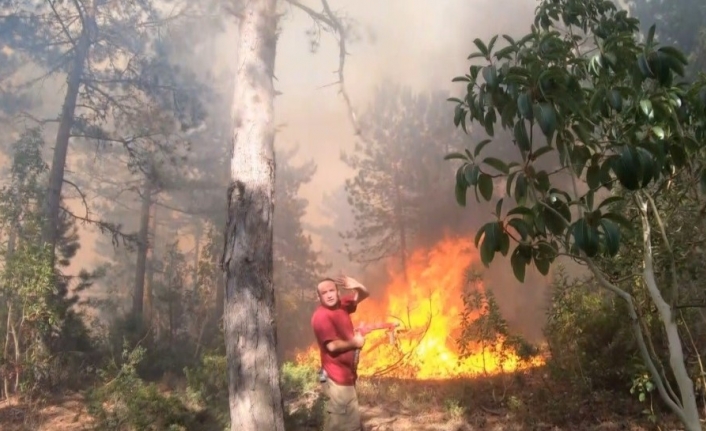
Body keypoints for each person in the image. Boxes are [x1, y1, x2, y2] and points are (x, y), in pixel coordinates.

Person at [311, 275, 370, 431]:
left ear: (338, 293)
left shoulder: (341, 305)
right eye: (324, 293)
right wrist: (356, 343)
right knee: (347, 424)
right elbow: (332, 346)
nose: (329, 295)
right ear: (318, 297)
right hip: (336, 378)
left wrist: (357, 285)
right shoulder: (321, 316)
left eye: (332, 290)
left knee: (335, 422)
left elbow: (364, 294)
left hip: (344, 375)